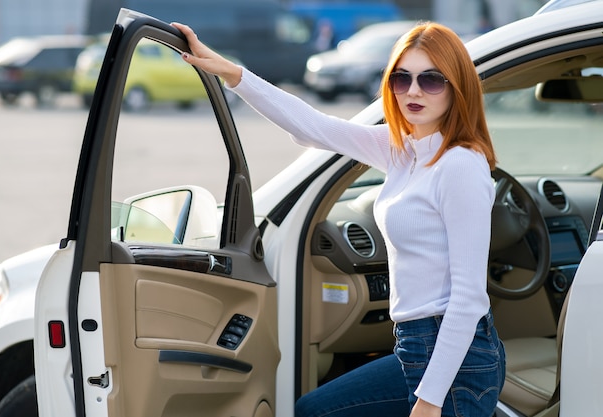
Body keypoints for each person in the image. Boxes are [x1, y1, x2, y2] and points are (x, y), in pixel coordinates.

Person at [171, 20, 506, 417]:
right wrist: (232, 73)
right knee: (314, 409)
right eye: (402, 78)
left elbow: (468, 299)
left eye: (431, 80)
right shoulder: (404, 150)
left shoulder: (460, 166)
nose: (413, 91)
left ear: (457, 87)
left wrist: (430, 400)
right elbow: (315, 127)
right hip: (414, 346)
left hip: (457, 358)